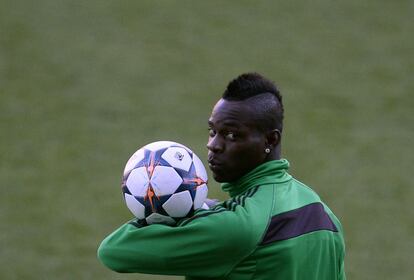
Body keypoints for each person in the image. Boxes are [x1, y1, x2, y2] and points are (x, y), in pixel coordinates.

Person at [98, 72, 346, 280]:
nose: (213, 145)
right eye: (212, 131)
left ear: (270, 140)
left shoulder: (234, 227)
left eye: (231, 135)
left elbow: (113, 251)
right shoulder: (322, 213)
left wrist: (172, 209)